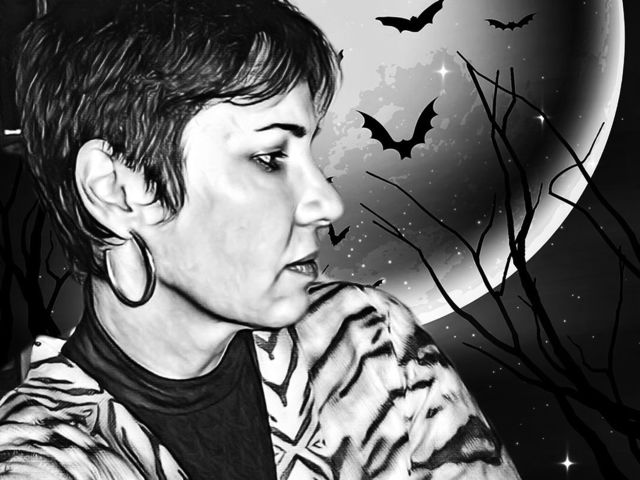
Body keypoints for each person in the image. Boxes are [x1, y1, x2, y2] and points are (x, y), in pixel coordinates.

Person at [0, 0, 521, 478]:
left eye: (309, 153)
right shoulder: (36, 461)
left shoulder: (368, 339)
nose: (327, 202)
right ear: (116, 190)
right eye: (270, 157)